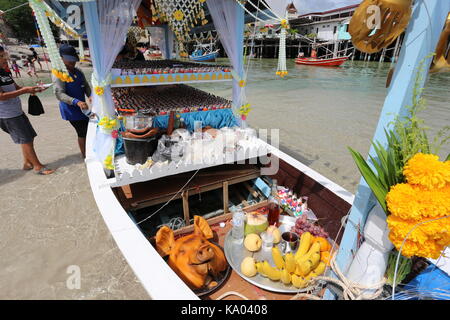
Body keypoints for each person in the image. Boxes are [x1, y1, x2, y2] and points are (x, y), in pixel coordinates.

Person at [0, 46, 54, 175]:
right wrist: (24, 91)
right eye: (1, 56)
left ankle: (27, 163)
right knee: (26, 139)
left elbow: (15, 87)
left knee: (28, 137)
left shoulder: (4, 71)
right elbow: (1, 97)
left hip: (16, 110)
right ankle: (38, 167)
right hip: (7, 114)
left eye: (4, 55)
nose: (5, 59)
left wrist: (32, 89)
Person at [52, 44, 92, 158]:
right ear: (62, 59)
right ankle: (85, 156)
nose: (72, 63)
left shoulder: (78, 71)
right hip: (71, 109)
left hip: (83, 108)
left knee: (89, 129)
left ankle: (89, 151)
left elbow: (85, 86)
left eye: (74, 61)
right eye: (70, 61)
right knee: (82, 132)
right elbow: (59, 94)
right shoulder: (58, 74)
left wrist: (90, 96)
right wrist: (76, 102)